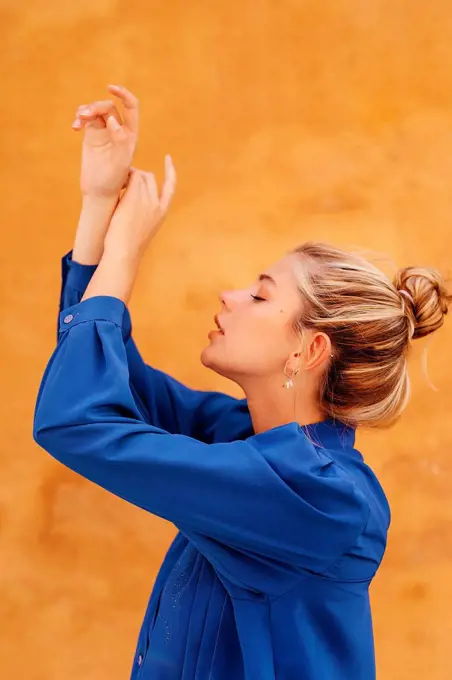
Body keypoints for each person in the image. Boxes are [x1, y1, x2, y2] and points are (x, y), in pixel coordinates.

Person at [33, 86, 451, 680]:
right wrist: (99, 206)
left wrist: (125, 255)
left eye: (259, 295)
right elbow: (102, 372)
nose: (231, 296)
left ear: (308, 349)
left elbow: (77, 421)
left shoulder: (318, 496)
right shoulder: (246, 441)